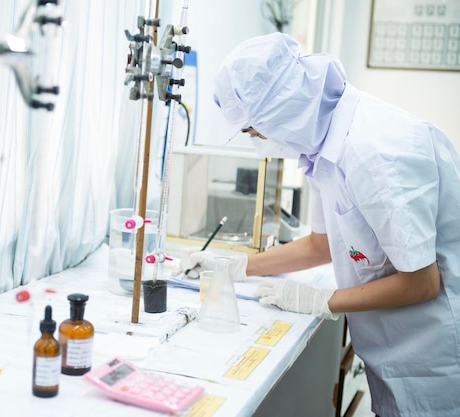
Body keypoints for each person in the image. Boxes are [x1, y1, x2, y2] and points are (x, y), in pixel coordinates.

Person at [181, 32, 460, 417]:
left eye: (252, 131)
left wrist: (317, 300)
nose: (256, 142)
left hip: (436, 362)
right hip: (394, 353)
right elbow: (321, 245)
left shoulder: (373, 151)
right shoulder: (322, 147)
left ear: (281, 111)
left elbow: (422, 282)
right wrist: (234, 267)